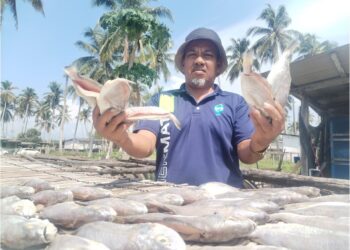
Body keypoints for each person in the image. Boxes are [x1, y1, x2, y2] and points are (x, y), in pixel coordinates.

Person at [92, 27, 285, 188]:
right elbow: (145, 145)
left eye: (207, 55)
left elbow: (247, 153)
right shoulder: (162, 100)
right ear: (183, 63)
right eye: (192, 54)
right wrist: (122, 138)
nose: (199, 60)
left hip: (225, 202)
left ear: (218, 66)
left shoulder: (235, 103)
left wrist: (262, 140)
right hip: (169, 201)